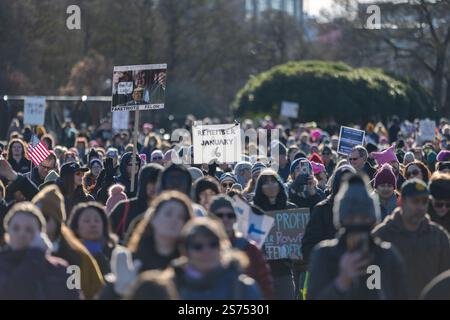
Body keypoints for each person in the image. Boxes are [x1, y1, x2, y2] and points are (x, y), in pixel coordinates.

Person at [307, 174, 408, 299]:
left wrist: (375, 283)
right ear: (342, 219)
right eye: (351, 218)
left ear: (372, 219)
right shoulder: (325, 255)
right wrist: (342, 282)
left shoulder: (386, 256)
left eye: (364, 218)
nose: (358, 223)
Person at [99, 191, 194, 299]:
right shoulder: (131, 262)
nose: (174, 220)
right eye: (168, 213)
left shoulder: (192, 264)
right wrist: (118, 291)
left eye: (181, 217)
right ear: (153, 218)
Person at [372, 179, 450, 299]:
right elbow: (371, 283)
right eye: (415, 201)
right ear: (402, 201)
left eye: (424, 202)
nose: (420, 207)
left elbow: (446, 279)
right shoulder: (381, 236)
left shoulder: (439, 237)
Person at [32, 185, 104, 299]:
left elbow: (90, 292)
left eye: (44, 217)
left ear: (57, 221)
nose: (39, 223)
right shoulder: (21, 249)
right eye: (35, 217)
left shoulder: (75, 255)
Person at [163, 218, 262, 300]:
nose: (206, 251)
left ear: (222, 247)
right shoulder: (169, 288)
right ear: (186, 252)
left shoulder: (243, 288)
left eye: (213, 244)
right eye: (198, 246)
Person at [0, 202, 79, 299]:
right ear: (7, 233)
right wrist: (35, 255)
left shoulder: (61, 267)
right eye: (16, 228)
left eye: (29, 229)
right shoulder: (2, 264)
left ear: (40, 234)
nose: (22, 234)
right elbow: (12, 292)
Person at [209, 195, 274, 299]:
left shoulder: (250, 249)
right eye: (220, 215)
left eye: (230, 215)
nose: (225, 219)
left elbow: (265, 286)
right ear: (211, 218)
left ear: (235, 219)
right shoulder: (201, 248)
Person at [252, 169, 297, 300]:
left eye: (274, 181)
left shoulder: (291, 209)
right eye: (266, 183)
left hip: (284, 273)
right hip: (260, 273)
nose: (271, 185)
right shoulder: (253, 211)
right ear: (260, 188)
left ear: (280, 184)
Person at [301, 165, 357, 262]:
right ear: (336, 184)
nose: (346, 186)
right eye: (343, 182)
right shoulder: (322, 209)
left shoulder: (362, 209)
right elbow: (308, 246)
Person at [109, 163, 163, 241]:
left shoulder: (166, 211)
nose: (155, 186)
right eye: (151, 181)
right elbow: (106, 235)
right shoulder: (124, 208)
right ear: (143, 182)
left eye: (158, 182)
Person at [69, 202, 118, 276]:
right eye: (86, 221)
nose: (93, 224)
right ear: (76, 227)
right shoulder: (69, 253)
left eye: (97, 220)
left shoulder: (115, 253)